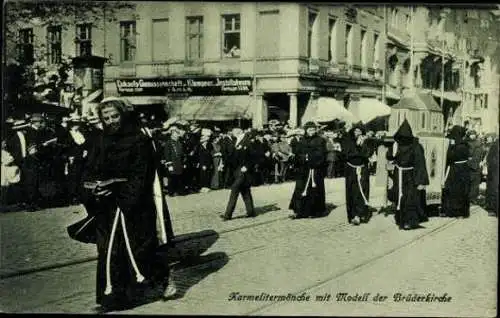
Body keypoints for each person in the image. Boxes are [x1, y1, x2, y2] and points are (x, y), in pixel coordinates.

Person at [80, 100, 175, 311]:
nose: (111, 121)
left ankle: (163, 279)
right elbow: (88, 169)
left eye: (114, 116)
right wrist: (91, 189)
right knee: (108, 252)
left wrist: (122, 194)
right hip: (106, 205)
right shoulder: (100, 140)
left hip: (133, 205)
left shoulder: (139, 140)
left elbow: (142, 175)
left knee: (139, 250)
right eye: (106, 118)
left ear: (123, 115)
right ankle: (111, 298)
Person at [386, 120, 430, 230]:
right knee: (399, 196)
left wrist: (421, 181)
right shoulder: (396, 145)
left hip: (410, 175)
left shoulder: (416, 146)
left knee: (410, 198)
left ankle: (409, 222)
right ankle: (401, 219)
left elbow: (420, 163)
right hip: (398, 174)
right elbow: (389, 156)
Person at [288, 122, 327, 219]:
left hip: (315, 169)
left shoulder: (320, 140)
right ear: (306, 130)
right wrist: (303, 158)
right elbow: (297, 153)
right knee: (299, 188)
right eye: (309, 130)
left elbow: (322, 154)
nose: (311, 132)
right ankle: (297, 211)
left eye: (313, 130)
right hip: (303, 169)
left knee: (314, 190)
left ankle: (314, 211)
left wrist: (310, 158)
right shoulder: (302, 140)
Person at [220, 128, 256, 221]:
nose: (233, 134)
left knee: (234, 190)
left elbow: (253, 156)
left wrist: (247, 167)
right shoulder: (237, 141)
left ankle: (228, 214)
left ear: (238, 133)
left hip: (243, 171)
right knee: (245, 191)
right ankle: (251, 211)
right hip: (236, 170)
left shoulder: (247, 141)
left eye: (234, 133)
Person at [341, 122, 371, 225]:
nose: (357, 133)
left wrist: (362, 145)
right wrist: (357, 147)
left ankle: (360, 214)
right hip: (351, 170)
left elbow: (367, 154)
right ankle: (353, 214)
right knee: (352, 192)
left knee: (361, 190)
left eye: (359, 131)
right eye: (356, 131)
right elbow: (347, 154)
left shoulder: (365, 142)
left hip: (362, 169)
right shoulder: (348, 141)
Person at [441, 125, 471, 218]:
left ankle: (456, 212)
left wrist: (450, 148)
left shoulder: (457, 146)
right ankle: (462, 212)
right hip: (464, 169)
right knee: (463, 190)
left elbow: (450, 157)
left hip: (456, 169)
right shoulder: (465, 144)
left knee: (455, 190)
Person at [161, 124, 186, 196]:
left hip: (179, 163)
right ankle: (171, 192)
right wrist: (169, 165)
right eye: (176, 134)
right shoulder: (168, 143)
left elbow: (182, 153)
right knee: (172, 179)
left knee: (179, 178)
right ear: (172, 134)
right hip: (172, 163)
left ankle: (179, 191)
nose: (178, 135)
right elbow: (167, 154)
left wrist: (183, 162)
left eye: (178, 134)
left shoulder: (179, 143)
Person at [466, 130, 485, 204]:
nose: (473, 136)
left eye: (474, 134)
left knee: (476, 183)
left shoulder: (479, 143)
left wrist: (481, 161)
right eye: (471, 134)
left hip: (477, 165)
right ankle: (469, 198)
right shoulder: (467, 143)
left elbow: (482, 153)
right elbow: (467, 153)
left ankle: (473, 198)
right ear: (468, 135)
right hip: (470, 165)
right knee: (469, 182)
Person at [485, 136, 498, 216]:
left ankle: (492, 209)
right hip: (495, 171)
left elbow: (489, 159)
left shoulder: (494, 145)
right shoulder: (494, 145)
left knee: (493, 189)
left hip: (494, 171)